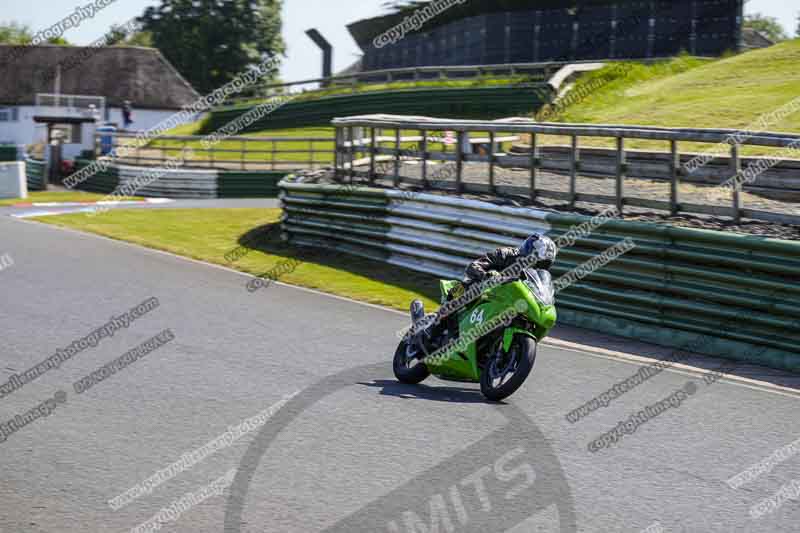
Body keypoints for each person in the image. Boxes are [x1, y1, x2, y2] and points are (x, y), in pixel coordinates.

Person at [409, 233, 558, 352]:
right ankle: (428, 331)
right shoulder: (506, 254)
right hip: (483, 290)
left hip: (504, 301)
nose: (537, 266)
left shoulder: (533, 278)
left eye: (543, 265)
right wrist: (486, 275)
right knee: (463, 290)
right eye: (536, 260)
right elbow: (474, 266)